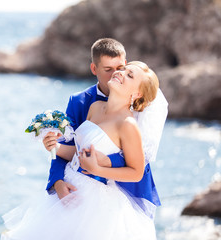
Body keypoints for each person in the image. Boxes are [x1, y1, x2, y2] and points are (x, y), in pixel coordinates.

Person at [1, 61, 163, 240]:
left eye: (130, 75)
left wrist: (98, 170)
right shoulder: (95, 108)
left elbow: (136, 172)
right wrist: (55, 146)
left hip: (94, 205)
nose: (120, 73)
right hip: (66, 191)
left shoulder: (127, 125)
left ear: (137, 94)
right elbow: (79, 153)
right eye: (124, 69)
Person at [44, 38, 168, 218]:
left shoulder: (138, 115)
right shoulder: (84, 104)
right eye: (108, 70)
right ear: (94, 69)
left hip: (116, 196)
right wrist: (57, 181)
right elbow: (78, 148)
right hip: (73, 189)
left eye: (120, 68)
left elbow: (141, 163)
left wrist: (104, 163)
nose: (116, 74)